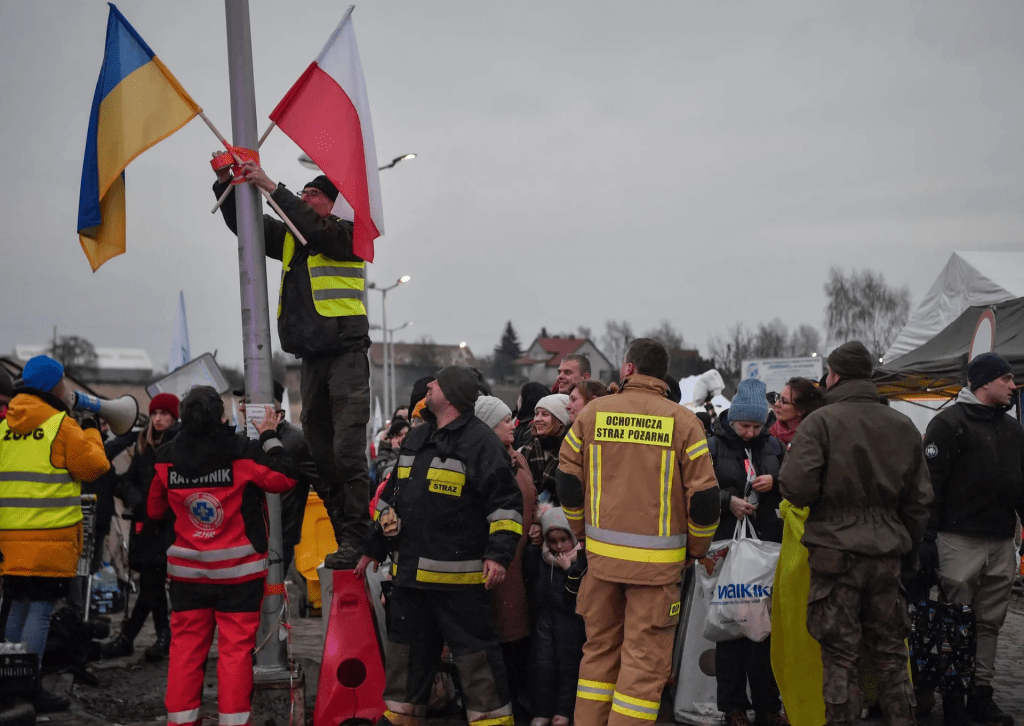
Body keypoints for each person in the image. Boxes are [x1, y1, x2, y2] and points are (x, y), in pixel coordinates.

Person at [213, 157, 370, 570]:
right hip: (312, 358)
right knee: (321, 455)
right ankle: (347, 537)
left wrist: (271, 186)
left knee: (347, 452)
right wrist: (227, 184)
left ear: (333, 204)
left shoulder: (348, 233)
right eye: (302, 193)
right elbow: (248, 226)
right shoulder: (293, 236)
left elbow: (317, 230)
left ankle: (359, 536)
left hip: (347, 354)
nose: (304, 198)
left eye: (313, 194)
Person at [557, 338, 721, 725]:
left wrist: (582, 533)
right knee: (643, 667)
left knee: (598, 659)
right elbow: (704, 500)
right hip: (657, 572)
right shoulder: (685, 423)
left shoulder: (593, 414)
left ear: (629, 369)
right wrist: (696, 550)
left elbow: (567, 481)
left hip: (601, 565)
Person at [778, 341, 932, 726]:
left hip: (836, 557)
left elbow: (795, 487)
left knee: (840, 658)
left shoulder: (820, 422)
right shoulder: (902, 425)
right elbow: (919, 501)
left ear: (833, 375)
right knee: (891, 656)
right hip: (887, 556)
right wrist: (907, 552)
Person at [359, 366, 524, 726]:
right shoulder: (418, 439)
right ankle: (401, 719)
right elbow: (391, 499)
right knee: (405, 667)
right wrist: (374, 546)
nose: (429, 385)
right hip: (410, 584)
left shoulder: (481, 443)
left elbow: (506, 508)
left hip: (459, 588)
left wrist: (498, 556)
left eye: (436, 382)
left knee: (478, 665)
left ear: (450, 395)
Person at [148, 386, 296, 726]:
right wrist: (269, 434)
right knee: (234, 653)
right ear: (220, 416)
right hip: (239, 576)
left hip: (187, 574)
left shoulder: (165, 457)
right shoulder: (241, 451)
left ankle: (181, 722)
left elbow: (154, 510)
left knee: (185, 651)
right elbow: (285, 477)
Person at [0, 355, 110, 712]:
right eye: (62, 382)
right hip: (49, 539)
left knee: (17, 607)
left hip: (9, 541)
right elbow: (94, 467)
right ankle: (31, 687)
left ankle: (9, 684)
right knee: (41, 610)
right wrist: (91, 430)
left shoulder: (4, 428)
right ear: (53, 386)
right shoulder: (61, 425)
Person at [920, 352, 1021, 726]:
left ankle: (981, 694)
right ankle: (953, 700)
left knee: (990, 621)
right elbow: (930, 487)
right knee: (954, 620)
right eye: (1006, 379)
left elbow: (1021, 485)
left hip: (1000, 540)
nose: (1012, 385)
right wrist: (927, 539)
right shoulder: (948, 424)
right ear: (985, 383)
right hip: (957, 539)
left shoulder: (1013, 429)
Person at [709, 378, 787, 726]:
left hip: (766, 547)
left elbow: (794, 483)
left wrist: (776, 483)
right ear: (732, 419)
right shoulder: (713, 445)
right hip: (728, 545)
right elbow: (697, 489)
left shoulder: (774, 446)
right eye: (745, 426)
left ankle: (768, 705)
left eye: (757, 426)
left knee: (763, 630)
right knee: (731, 627)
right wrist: (727, 501)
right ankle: (733, 707)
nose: (751, 432)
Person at [102, 393, 181, 662]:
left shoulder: (177, 445)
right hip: (145, 526)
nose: (158, 419)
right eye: (155, 413)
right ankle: (161, 637)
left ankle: (132, 637)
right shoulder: (144, 446)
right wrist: (133, 496)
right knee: (152, 583)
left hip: (166, 527)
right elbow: (128, 480)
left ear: (174, 417)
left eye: (164, 414)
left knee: (151, 583)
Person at [475, 394, 537, 720]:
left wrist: (537, 524)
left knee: (520, 635)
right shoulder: (483, 462)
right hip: (499, 562)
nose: (512, 424)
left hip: (523, 560)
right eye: (504, 420)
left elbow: (531, 500)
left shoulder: (518, 458)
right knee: (505, 637)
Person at [524, 505, 586, 726]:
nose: (559, 546)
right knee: (542, 664)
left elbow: (580, 592)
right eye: (553, 541)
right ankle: (542, 710)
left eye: (564, 539)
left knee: (568, 665)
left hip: (570, 620)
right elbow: (529, 573)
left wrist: (569, 570)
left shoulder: (580, 560)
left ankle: (563, 710)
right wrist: (534, 547)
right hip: (545, 617)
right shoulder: (543, 557)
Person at [520, 394, 570, 505]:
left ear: (560, 420)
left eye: (545, 414)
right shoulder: (525, 450)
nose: (537, 419)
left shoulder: (571, 452)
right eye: (536, 414)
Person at [768, 377, 824, 450]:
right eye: (778, 398)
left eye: (784, 401)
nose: (776, 404)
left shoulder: (812, 438)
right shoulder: (771, 432)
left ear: (801, 410)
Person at [374, 417, 410, 487]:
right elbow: (384, 472)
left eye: (407, 433)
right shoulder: (384, 451)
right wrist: (395, 451)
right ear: (392, 437)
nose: (404, 437)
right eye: (400, 435)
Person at [513, 382, 549, 451]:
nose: (518, 401)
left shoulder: (533, 426)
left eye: (520, 397)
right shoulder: (523, 422)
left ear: (527, 400)